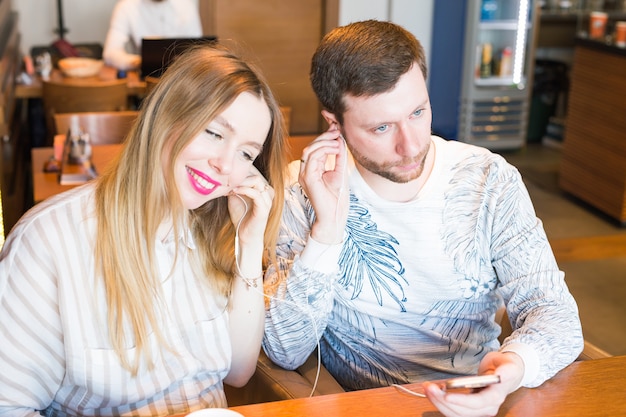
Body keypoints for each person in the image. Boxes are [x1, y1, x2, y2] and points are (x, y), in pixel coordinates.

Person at [262, 19, 584, 417]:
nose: (410, 145)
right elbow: (284, 348)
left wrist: (509, 370)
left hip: (479, 399)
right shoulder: (303, 190)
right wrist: (325, 232)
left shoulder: (488, 180)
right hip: (363, 407)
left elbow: (556, 315)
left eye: (418, 112)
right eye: (381, 127)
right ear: (335, 124)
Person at [0, 44, 288, 416]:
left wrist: (248, 247)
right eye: (214, 133)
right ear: (165, 116)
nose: (225, 165)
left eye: (246, 154)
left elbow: (237, 372)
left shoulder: (212, 227)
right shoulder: (49, 242)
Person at [103, 0, 203, 70]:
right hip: (145, 82)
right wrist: (140, 62)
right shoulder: (126, 6)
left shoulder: (186, 5)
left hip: (182, 78)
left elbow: (197, 50)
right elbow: (111, 52)